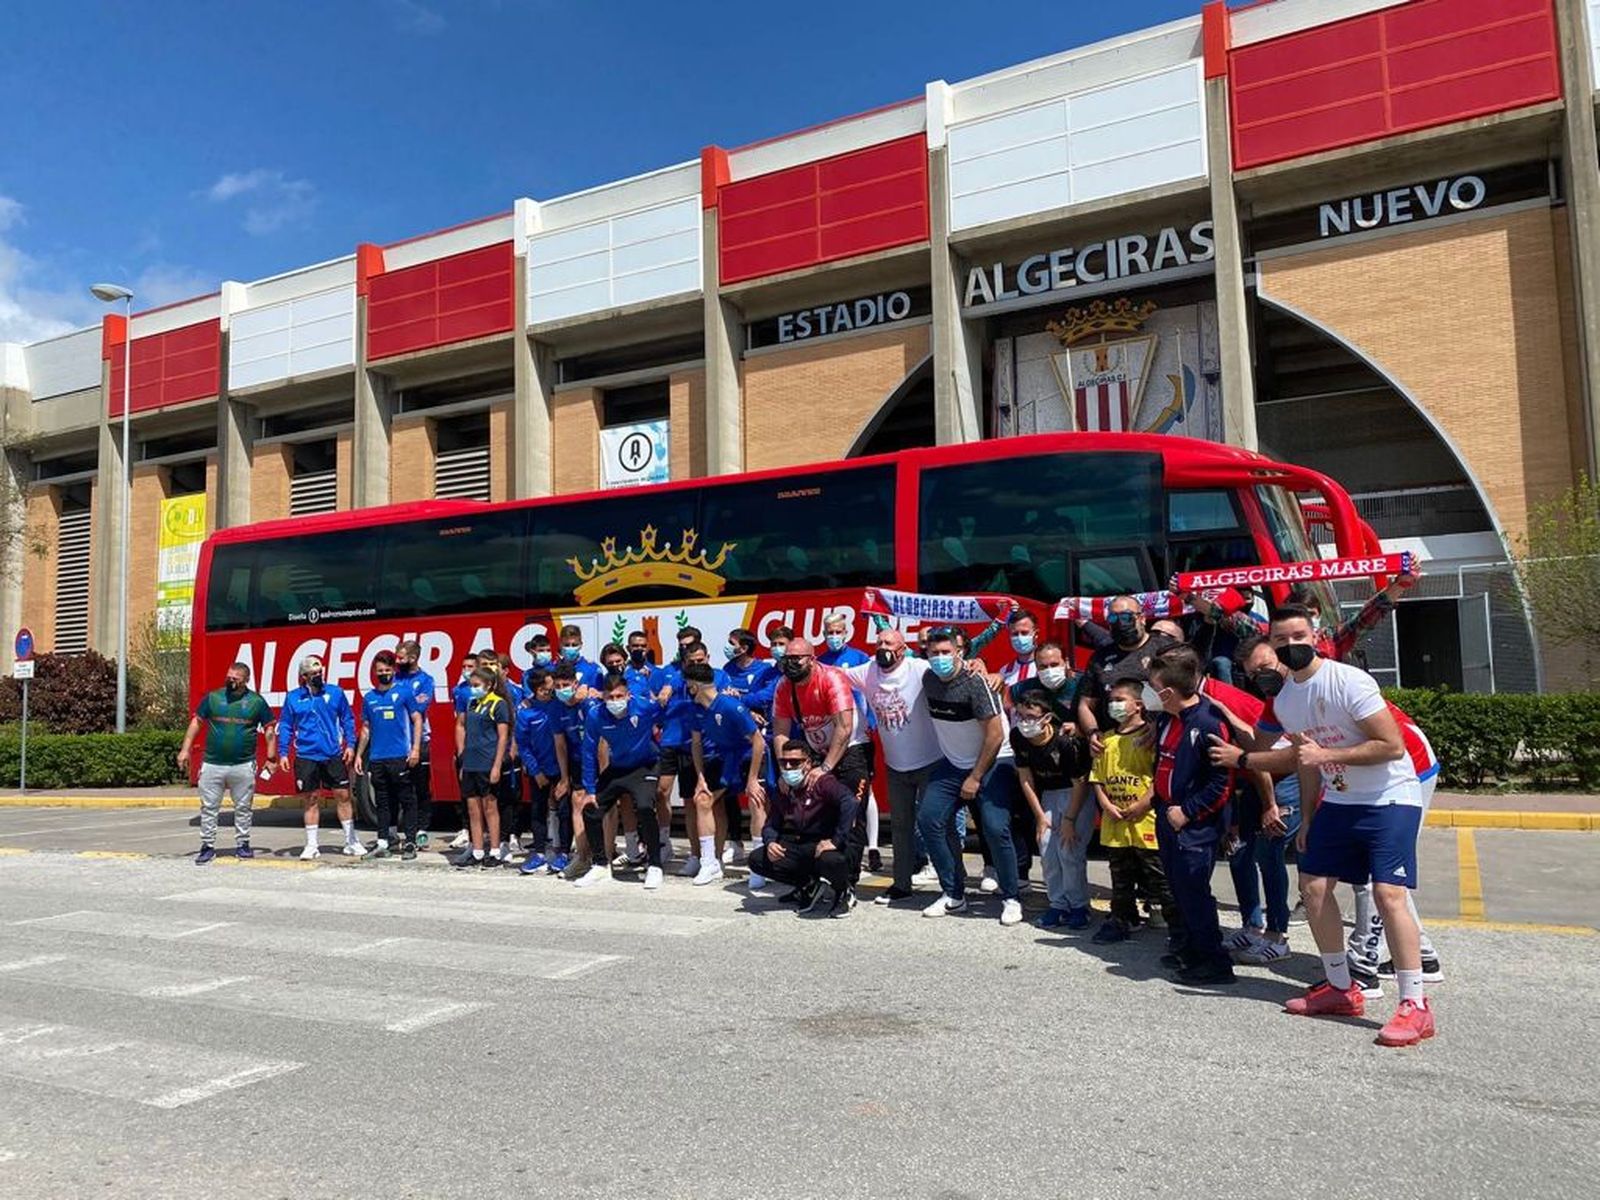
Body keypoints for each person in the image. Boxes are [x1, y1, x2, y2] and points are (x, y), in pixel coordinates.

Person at [1209, 607, 1436, 1046]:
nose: (1290, 645)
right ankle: (1339, 987)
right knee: (1313, 888)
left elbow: (1390, 746)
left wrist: (1325, 758)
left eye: (1298, 635)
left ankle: (1415, 1005)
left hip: (1390, 794)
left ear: (1314, 636)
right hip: (1340, 799)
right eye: (1280, 639)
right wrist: (1310, 817)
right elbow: (1301, 757)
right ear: (1271, 646)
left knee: (1389, 895)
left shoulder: (1348, 682)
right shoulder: (1284, 700)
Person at [916, 629, 1023, 926]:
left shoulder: (977, 684)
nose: (939, 659)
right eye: (933, 653)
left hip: (991, 761)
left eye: (945, 652)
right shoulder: (928, 679)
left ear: (959, 653)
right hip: (953, 764)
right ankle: (953, 894)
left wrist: (975, 777)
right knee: (929, 819)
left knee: (995, 827)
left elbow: (995, 734)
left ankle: (1011, 897)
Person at [1146, 649, 1236, 986]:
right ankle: (1189, 949)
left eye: (1151, 686)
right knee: (1179, 890)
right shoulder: (1167, 719)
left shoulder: (1208, 722)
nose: (1147, 692)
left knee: (1195, 892)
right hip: (1167, 818)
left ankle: (1215, 962)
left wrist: (1188, 812)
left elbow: (1221, 783)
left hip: (1193, 826)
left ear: (1167, 692)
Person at [840, 627, 942, 906]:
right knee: (900, 827)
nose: (882, 646)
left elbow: (952, 668)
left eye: (889, 642)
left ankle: (950, 887)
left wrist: (980, 666)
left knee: (936, 824)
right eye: (879, 641)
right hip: (896, 766)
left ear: (902, 648)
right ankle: (901, 884)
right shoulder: (869, 671)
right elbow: (836, 674)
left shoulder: (918, 668)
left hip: (930, 762)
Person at [771, 637, 874, 888]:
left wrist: (826, 768)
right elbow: (781, 733)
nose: (791, 663)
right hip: (817, 750)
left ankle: (847, 880)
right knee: (815, 814)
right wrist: (786, 770)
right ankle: (814, 877)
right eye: (787, 659)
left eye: (797, 658)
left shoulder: (831, 678)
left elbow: (844, 727)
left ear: (812, 658)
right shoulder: (784, 686)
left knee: (851, 814)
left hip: (851, 749)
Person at [1084, 679, 1175, 942]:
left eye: (1120, 699)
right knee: (1120, 875)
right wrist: (1105, 804)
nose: (1114, 705)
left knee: (1158, 875)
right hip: (1115, 821)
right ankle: (1122, 918)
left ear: (1138, 705)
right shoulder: (1106, 740)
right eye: (1111, 700)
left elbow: (1160, 776)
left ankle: (1177, 927)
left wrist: (1143, 803)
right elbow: (1097, 778)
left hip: (1145, 819)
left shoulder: (1150, 738)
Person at [573, 673, 666, 890]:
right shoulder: (596, 715)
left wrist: (664, 697)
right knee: (591, 809)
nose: (615, 701)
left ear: (628, 695)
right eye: (610, 697)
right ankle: (600, 865)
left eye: (619, 696)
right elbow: (588, 751)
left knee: (644, 807)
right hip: (617, 768)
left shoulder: (644, 706)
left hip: (645, 765)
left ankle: (655, 865)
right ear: (603, 697)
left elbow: (669, 713)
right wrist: (589, 788)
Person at [748, 744, 862, 917]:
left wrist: (835, 840)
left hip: (828, 844)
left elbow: (850, 802)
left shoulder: (823, 783)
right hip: (803, 843)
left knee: (831, 860)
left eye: (794, 763)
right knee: (757, 859)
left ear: (808, 764)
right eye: (783, 762)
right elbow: (772, 823)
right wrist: (770, 842)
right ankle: (808, 885)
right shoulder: (785, 788)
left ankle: (843, 892)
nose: (788, 767)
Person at [178, 661, 274, 864]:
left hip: (243, 765)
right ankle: (207, 846)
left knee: (243, 807)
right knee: (209, 807)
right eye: (229, 676)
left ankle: (243, 844)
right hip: (213, 764)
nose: (230, 680)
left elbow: (269, 730)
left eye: (235, 678)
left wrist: (271, 757)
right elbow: (196, 722)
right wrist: (185, 749)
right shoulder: (213, 698)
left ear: (246, 680)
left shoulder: (257, 702)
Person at [1010, 692, 1090, 929]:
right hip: (1048, 794)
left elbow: (1080, 784)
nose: (1025, 721)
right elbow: (1025, 778)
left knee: (1069, 850)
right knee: (1047, 849)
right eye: (1020, 715)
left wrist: (1069, 820)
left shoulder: (1066, 743)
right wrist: (1039, 816)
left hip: (1076, 795)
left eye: (1031, 716)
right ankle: (1057, 904)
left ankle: (1078, 906)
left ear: (1047, 718)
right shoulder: (1018, 737)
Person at [685, 661, 766, 886]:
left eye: (687, 686)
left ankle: (760, 866)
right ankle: (710, 862)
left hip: (749, 756)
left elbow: (758, 742)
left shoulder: (731, 706)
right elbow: (696, 744)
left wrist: (752, 779)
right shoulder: (694, 709)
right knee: (703, 800)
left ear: (694, 686)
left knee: (756, 800)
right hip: (723, 759)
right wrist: (700, 776)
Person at [277, 655, 362, 860]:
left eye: (320, 673)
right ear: (303, 676)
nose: (317, 676)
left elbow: (347, 719)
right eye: (313, 674)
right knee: (311, 799)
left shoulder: (335, 693)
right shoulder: (294, 697)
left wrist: (350, 745)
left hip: (332, 754)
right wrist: (282, 753)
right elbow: (287, 726)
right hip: (306, 755)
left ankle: (351, 842)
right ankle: (312, 845)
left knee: (343, 795)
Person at [819, 612, 882, 871]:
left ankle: (874, 847)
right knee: (837, 793)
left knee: (866, 792)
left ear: (847, 632)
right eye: (829, 632)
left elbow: (870, 691)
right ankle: (841, 843)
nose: (834, 636)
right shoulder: (820, 661)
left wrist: (871, 720)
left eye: (838, 631)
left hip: (859, 734)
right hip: (833, 734)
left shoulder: (858, 657)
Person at [654, 634, 721, 872]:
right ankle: (694, 855)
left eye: (699, 660)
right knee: (689, 802)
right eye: (691, 661)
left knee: (711, 803)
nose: (695, 665)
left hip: (711, 748)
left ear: (707, 658)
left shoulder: (719, 676)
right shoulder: (675, 678)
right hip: (683, 745)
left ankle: (712, 857)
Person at [1076, 596, 1180, 744]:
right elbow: (1085, 704)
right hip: (1114, 744)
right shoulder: (1100, 657)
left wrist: (1161, 727)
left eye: (1126, 617)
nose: (1120, 623)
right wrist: (1092, 733)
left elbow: (1184, 696)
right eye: (1113, 618)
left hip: (1160, 740)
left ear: (1142, 618)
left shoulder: (1165, 649)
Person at [354, 650, 424, 860]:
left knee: (407, 799)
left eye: (387, 670)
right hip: (377, 758)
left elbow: (417, 719)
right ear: (375, 672)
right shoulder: (370, 698)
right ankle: (383, 841)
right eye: (379, 671)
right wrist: (359, 755)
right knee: (383, 802)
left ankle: (410, 841)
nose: (383, 673)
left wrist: (416, 749)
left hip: (400, 757)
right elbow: (365, 729)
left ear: (393, 670)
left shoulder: (404, 693)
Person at [454, 666, 511, 869]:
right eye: (471, 685)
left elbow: (503, 737)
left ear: (490, 685)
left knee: (490, 807)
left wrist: (497, 765)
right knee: (472, 809)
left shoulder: (499, 704)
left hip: (488, 763)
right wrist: (463, 763)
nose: (473, 689)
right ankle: (477, 851)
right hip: (471, 763)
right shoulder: (471, 703)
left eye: (477, 685)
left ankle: (494, 851)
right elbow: (466, 732)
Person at [513, 667, 568, 876]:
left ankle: (563, 853)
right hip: (540, 771)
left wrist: (565, 775)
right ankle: (539, 853)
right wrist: (536, 771)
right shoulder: (526, 712)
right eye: (546, 688)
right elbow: (523, 745)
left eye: (551, 687)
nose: (550, 690)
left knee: (564, 812)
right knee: (538, 811)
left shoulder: (559, 706)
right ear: (536, 689)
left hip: (561, 769)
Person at [393, 640, 438, 848]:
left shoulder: (425, 680)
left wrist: (401, 701)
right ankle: (397, 832)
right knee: (399, 789)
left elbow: (420, 705)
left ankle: (422, 830)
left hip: (419, 740)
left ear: (413, 658)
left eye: (401, 657)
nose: (397, 661)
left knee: (421, 788)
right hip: (396, 741)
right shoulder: (394, 677)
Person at [447, 651, 481, 850]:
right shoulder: (459, 691)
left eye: (471, 667)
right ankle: (467, 831)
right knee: (466, 794)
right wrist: (460, 752)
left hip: (482, 749)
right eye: (464, 667)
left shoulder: (484, 691)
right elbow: (459, 722)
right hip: (466, 749)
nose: (467, 671)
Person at [1007, 640, 1077, 724]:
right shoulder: (1024, 688)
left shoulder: (1082, 684)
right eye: (1043, 667)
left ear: (1066, 662)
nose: (1049, 671)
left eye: (1054, 665)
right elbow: (1003, 701)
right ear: (1036, 667)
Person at [557, 624, 604, 689]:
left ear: (581, 645)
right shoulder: (554, 668)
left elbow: (600, 694)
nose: (570, 648)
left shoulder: (593, 668)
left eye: (574, 645)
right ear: (560, 645)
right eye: (567, 645)